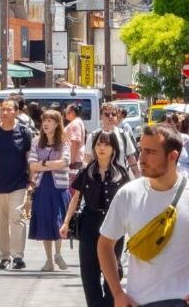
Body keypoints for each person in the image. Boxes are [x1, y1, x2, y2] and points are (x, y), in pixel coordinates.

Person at [98, 124, 189, 307]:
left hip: (185, 302)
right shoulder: (128, 194)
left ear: (173, 156)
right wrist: (117, 293)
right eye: (141, 150)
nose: (141, 158)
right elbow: (104, 244)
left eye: (150, 152)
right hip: (139, 302)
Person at [61, 130, 131, 307]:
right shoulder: (87, 172)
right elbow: (75, 198)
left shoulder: (121, 173)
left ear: (114, 149)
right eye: (99, 144)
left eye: (107, 144)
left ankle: (109, 303)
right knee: (89, 271)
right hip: (89, 223)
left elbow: (129, 202)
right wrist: (66, 222)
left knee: (113, 270)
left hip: (114, 225)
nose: (102, 148)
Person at [0, 98, 35, 270]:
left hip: (18, 183)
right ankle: (4, 256)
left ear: (16, 112)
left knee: (16, 219)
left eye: (9, 109)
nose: (5, 112)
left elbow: (29, 158)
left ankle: (18, 256)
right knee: (1, 223)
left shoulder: (24, 132)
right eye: (2, 109)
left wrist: (31, 180)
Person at [27, 109, 71, 272]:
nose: (45, 124)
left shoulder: (64, 142)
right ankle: (48, 260)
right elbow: (32, 165)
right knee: (45, 221)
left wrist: (43, 164)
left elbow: (65, 162)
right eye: (44, 121)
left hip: (59, 187)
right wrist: (50, 164)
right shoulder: (36, 142)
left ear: (57, 124)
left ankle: (58, 254)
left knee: (58, 221)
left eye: (50, 121)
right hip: (42, 186)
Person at [85, 103, 141, 177]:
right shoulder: (93, 136)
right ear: (101, 116)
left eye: (113, 114)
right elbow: (87, 160)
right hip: (98, 180)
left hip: (120, 180)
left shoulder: (123, 135)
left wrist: (138, 178)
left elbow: (131, 159)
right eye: (107, 114)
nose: (110, 117)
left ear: (117, 117)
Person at [64, 104, 86, 183]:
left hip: (74, 159)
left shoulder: (75, 123)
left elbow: (75, 142)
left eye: (67, 111)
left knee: (72, 185)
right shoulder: (76, 121)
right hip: (76, 158)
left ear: (72, 112)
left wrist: (71, 161)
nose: (65, 112)